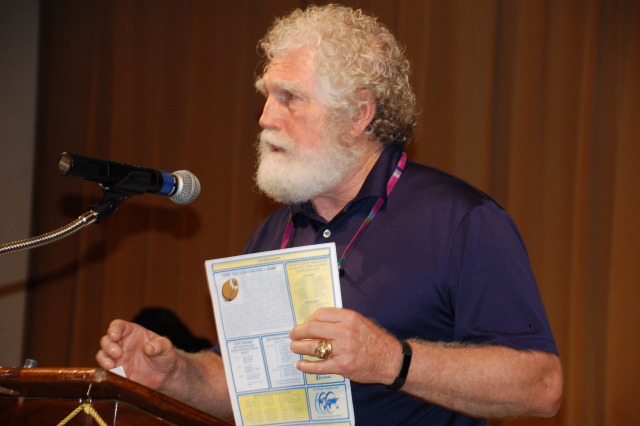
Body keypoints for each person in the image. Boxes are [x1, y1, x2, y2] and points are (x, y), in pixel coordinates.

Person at [96, 5, 562, 425]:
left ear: (359, 114)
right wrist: (174, 373)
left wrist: (391, 360)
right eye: (267, 96)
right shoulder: (275, 231)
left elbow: (541, 387)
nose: (265, 118)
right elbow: (247, 388)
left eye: (290, 97)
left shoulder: (460, 221)